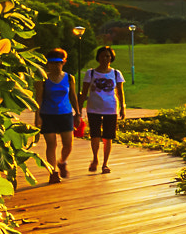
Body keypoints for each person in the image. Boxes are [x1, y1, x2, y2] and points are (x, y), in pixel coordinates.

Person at [80, 45, 127, 173]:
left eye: (108, 56)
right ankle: (95, 158)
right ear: (98, 57)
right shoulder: (91, 73)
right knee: (95, 135)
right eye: (102, 56)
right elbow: (83, 92)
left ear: (111, 58)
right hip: (93, 108)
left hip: (110, 108)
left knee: (108, 137)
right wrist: (79, 108)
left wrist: (123, 107)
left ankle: (105, 164)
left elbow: (120, 92)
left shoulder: (116, 73)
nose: (105, 58)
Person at [33, 48, 77, 184]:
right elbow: (38, 98)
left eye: (58, 62)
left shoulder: (69, 78)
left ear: (63, 62)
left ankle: (62, 161)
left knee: (68, 144)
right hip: (48, 114)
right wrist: (37, 115)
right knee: (51, 144)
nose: (55, 66)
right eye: (51, 63)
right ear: (48, 64)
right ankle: (53, 173)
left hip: (65, 113)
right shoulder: (43, 78)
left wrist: (78, 112)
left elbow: (73, 96)